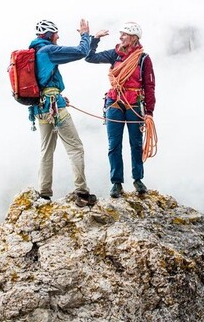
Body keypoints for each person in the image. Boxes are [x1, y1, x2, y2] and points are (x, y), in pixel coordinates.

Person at [28, 19, 97, 207]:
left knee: (46, 150)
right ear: (49, 35)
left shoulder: (33, 53)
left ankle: (44, 193)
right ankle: (82, 192)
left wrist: (58, 94)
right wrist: (85, 34)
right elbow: (81, 52)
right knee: (75, 148)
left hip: (40, 109)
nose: (58, 36)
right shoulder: (49, 51)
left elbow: (42, 81)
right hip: (55, 108)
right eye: (56, 33)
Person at [85, 21, 156, 198]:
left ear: (133, 38)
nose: (120, 37)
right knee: (114, 144)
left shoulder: (143, 59)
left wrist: (149, 111)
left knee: (136, 143)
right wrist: (95, 39)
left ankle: (137, 179)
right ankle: (116, 183)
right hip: (114, 101)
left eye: (124, 34)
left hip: (134, 102)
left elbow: (149, 85)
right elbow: (90, 57)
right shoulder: (114, 55)